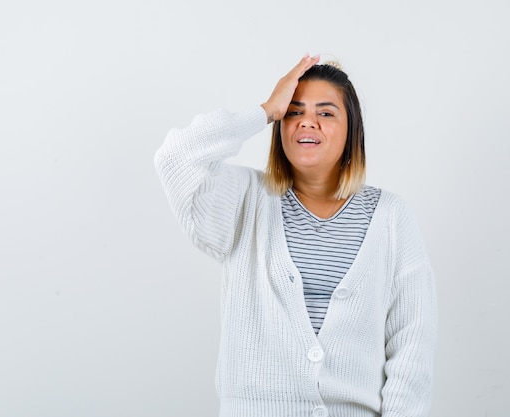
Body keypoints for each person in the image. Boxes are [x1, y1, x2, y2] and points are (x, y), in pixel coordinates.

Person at [155, 55, 438, 417]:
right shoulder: (245, 200)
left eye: (326, 113)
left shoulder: (391, 217)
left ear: (352, 131)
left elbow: (412, 344)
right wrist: (264, 111)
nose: (308, 121)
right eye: (293, 111)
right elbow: (175, 158)